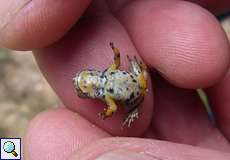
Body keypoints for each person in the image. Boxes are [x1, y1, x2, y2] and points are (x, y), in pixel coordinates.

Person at [1, 0, 230, 159]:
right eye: (83, 80)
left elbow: (111, 106)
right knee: (138, 81)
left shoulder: (108, 94)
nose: (81, 82)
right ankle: (136, 92)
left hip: (135, 92)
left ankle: (134, 109)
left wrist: (107, 112)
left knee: (134, 102)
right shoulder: (108, 76)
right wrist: (116, 54)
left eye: (83, 81)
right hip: (134, 82)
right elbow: (117, 61)